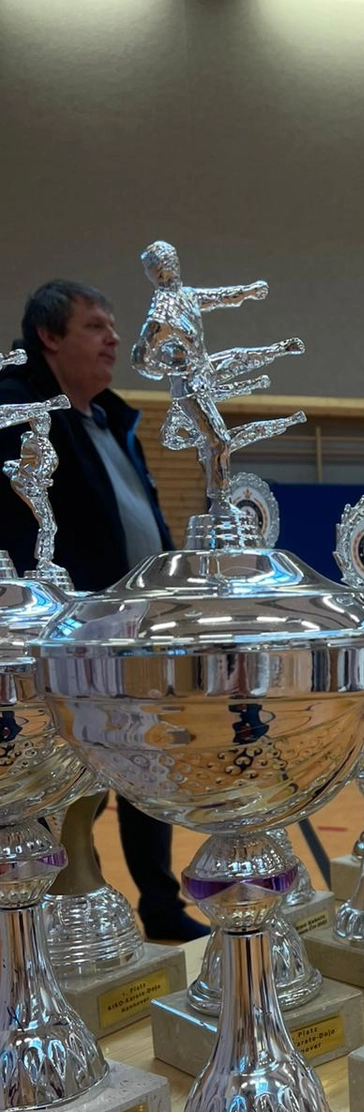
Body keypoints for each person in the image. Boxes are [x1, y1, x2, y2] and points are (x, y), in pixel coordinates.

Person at [0, 279, 207, 941]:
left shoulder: (112, 418)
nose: (113, 338)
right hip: (64, 634)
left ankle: (161, 905)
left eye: (112, 326)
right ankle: (52, 916)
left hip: (136, 627)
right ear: (48, 336)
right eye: (94, 326)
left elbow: (138, 518)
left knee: (147, 763)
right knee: (68, 785)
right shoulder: (17, 408)